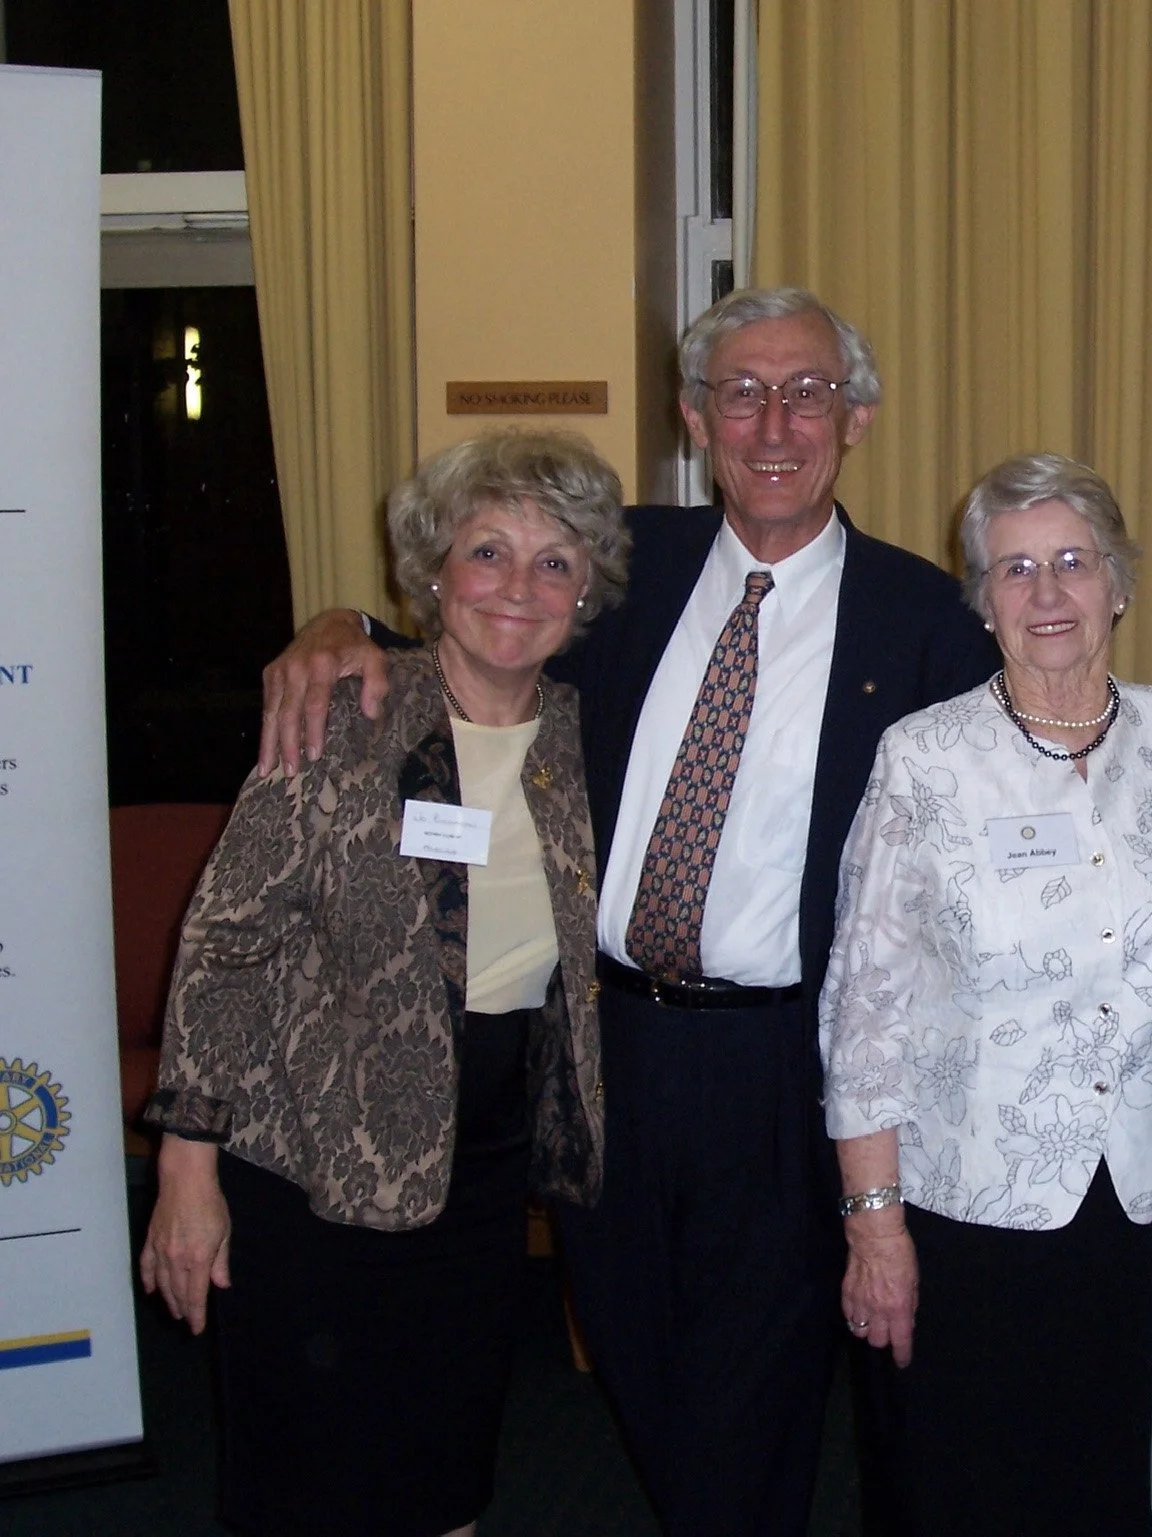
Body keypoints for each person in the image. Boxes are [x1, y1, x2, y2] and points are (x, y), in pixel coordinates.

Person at [255, 287, 999, 1537]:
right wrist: (343, 629)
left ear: (856, 417)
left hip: (786, 1067)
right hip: (598, 1050)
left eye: (806, 391)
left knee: (746, 1402)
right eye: (740, 391)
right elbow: (483, 632)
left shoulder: (920, 619)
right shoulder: (623, 569)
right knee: (636, 1356)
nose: (773, 421)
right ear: (695, 415)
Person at [138, 429, 627, 1537]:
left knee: (443, 1459)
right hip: (313, 1159)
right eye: (488, 551)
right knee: (308, 1474)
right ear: (434, 571)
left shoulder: (582, 734)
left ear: (585, 590)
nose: (518, 586)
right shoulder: (340, 717)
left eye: (555, 561)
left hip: (484, 1162)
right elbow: (226, 945)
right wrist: (187, 1167)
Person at [821, 452, 1152, 1534]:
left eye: (1073, 563)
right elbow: (863, 1012)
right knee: (971, 1489)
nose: (1047, 593)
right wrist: (874, 1226)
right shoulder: (924, 759)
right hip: (971, 1212)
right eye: (1016, 569)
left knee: (1133, 1485)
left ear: (1120, 585)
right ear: (984, 602)